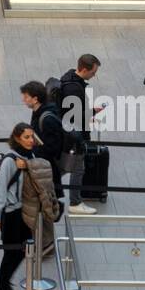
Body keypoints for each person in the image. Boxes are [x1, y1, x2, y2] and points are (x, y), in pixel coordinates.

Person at [0, 124, 53, 290]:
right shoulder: (10, 161)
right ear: (17, 138)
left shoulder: (29, 157)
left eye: (32, 136)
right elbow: (0, 190)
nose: (31, 140)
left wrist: (27, 165)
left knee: (22, 250)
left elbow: (43, 168)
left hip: (23, 212)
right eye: (26, 137)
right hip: (10, 214)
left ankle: (4, 282)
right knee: (12, 252)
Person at [59, 54, 102, 214]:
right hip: (75, 135)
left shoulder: (70, 78)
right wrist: (92, 113)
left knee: (69, 166)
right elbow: (73, 115)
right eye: (93, 72)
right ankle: (75, 203)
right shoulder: (74, 88)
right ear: (84, 69)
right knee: (77, 168)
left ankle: (43, 184)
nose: (94, 75)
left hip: (72, 131)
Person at [20, 81, 64, 203]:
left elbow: (52, 148)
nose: (23, 99)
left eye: (26, 96)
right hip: (41, 170)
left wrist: (32, 149)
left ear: (35, 99)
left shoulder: (47, 119)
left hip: (46, 173)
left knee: (46, 209)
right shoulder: (37, 113)